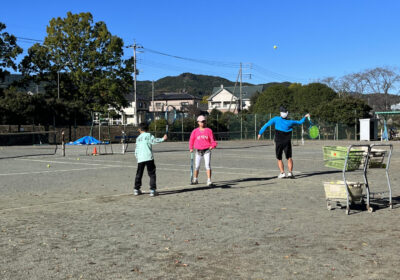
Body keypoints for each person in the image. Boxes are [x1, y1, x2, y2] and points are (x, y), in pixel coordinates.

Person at [257, 106, 310, 179]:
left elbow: (266, 125)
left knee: (279, 158)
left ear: (280, 113)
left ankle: (282, 173)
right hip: (287, 142)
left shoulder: (276, 119)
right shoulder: (291, 122)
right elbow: (300, 122)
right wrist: (305, 116)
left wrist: (260, 133)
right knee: (289, 158)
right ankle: (290, 173)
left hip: (278, 142)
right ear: (287, 114)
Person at [134, 122, 167, 197]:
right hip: (148, 158)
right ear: (148, 129)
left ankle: (136, 189)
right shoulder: (149, 135)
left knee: (139, 174)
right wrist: (163, 139)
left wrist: (137, 157)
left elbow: (136, 149)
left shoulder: (138, 138)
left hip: (140, 158)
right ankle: (152, 190)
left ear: (139, 129)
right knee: (152, 174)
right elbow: (154, 141)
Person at [189, 115, 218, 186]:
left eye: (204, 121)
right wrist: (191, 148)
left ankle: (209, 180)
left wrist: (213, 146)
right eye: (201, 122)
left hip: (207, 150)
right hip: (198, 151)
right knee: (197, 166)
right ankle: (195, 179)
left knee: (207, 165)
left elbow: (213, 140)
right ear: (198, 122)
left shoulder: (209, 131)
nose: (203, 123)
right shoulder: (195, 131)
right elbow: (191, 140)